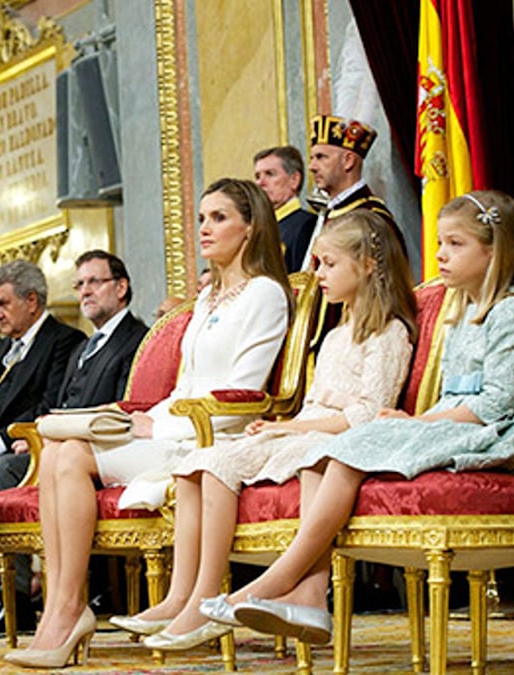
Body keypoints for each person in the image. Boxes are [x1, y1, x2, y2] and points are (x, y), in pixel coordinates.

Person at [200, 190, 514, 646]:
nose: (440, 254)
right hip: (452, 422)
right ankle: (309, 597)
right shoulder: (462, 313)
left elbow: (495, 406)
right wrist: (414, 421)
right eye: (440, 243)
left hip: (497, 433)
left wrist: (415, 423)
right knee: (322, 454)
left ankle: (272, 582)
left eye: (455, 244)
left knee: (347, 452)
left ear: (494, 250)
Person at [4, 178, 293, 669]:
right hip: (176, 427)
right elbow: (186, 387)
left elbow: (240, 396)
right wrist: (144, 416)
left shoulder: (264, 294)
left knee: (70, 453)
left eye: (219, 218)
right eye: (202, 217)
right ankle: (59, 606)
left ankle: (70, 609)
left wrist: (156, 429)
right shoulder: (209, 298)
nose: (204, 228)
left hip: (209, 440)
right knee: (56, 451)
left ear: (250, 228)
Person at [113, 212, 416, 650]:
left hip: (333, 437)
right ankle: (187, 594)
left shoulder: (388, 333)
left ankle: (214, 600)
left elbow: (367, 413)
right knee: (204, 460)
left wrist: (291, 426)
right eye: (317, 263)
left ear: (368, 265)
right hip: (304, 430)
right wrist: (282, 428)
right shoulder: (335, 335)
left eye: (329, 264)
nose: (318, 275)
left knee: (258, 454)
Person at [0, 251, 149, 633]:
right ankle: (12, 595)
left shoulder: (136, 339)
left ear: (121, 288)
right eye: (80, 284)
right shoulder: (84, 346)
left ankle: (25, 597)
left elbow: (127, 407)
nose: (85, 291)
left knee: (4, 467)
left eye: (95, 282)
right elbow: (59, 405)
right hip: (64, 446)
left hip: (107, 450)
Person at [0, 260, 84, 629]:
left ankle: (11, 595)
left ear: (31, 301)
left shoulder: (64, 342)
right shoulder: (2, 348)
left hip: (25, 449)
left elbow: (50, 404)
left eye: (3, 304)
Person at [302, 115, 405, 269]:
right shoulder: (330, 212)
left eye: (321, 157)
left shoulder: (372, 217)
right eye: (312, 158)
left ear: (348, 161)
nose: (312, 167)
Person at [254, 146, 319, 272]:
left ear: (294, 179)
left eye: (270, 174)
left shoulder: (306, 225)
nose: (260, 183)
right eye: (257, 176)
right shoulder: (256, 228)